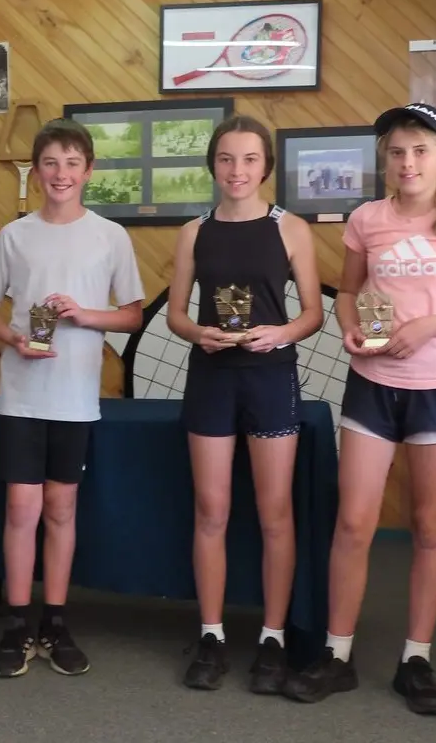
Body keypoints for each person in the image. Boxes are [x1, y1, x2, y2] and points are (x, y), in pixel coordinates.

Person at [282, 103, 436, 714]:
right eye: (397, 152)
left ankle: (416, 660)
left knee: (430, 526)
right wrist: (350, 328)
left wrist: (431, 325)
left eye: (421, 150)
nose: (408, 162)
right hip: (372, 386)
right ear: (385, 158)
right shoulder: (367, 218)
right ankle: (337, 654)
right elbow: (349, 293)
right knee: (354, 523)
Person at [0, 118, 145, 678]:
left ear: (88, 171)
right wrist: (14, 338)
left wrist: (84, 314)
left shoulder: (110, 236)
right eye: (50, 163)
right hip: (22, 396)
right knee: (21, 509)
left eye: (72, 163)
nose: (61, 173)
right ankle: (17, 624)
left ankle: (55, 621)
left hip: (75, 398)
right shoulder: (14, 235)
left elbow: (132, 315)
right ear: (37, 171)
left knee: (61, 508)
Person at [166, 114, 324, 694]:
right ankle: (211, 635)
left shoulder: (291, 228)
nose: (237, 170)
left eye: (250, 159)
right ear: (213, 164)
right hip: (212, 377)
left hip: (271, 378)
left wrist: (280, 334)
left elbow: (313, 313)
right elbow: (176, 314)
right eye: (227, 158)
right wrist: (198, 333)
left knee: (274, 512)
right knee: (211, 510)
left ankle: (272, 637)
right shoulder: (194, 231)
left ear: (266, 167)